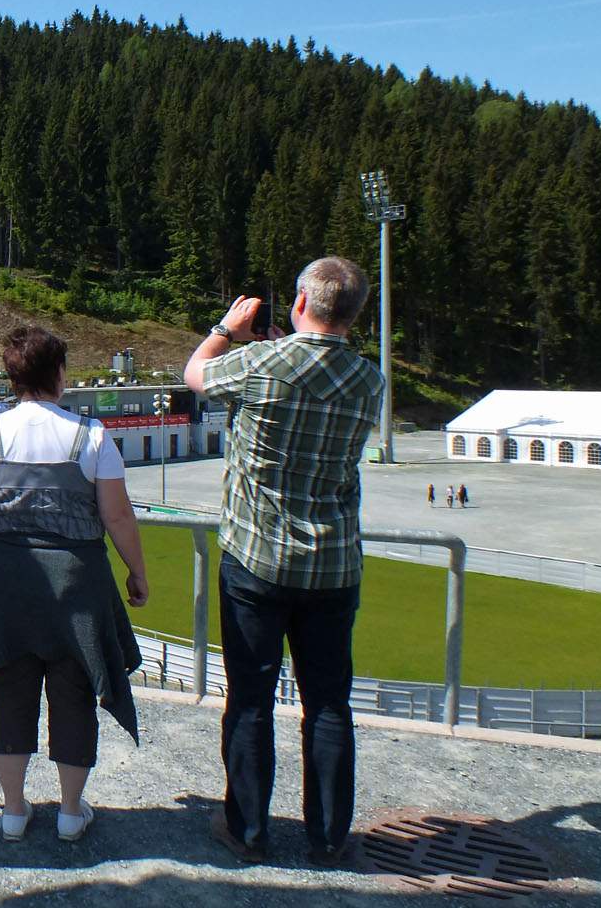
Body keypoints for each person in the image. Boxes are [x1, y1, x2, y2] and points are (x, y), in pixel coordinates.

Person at [184, 256, 383, 866]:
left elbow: (197, 374)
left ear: (300, 302)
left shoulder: (263, 363)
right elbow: (315, 372)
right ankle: (327, 836)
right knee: (328, 703)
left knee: (250, 697)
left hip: (257, 560)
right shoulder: (370, 380)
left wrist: (226, 326)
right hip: (332, 564)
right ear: (355, 313)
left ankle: (247, 830)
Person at [0, 325, 150, 844]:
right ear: (58, 372)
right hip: (78, 583)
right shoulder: (91, 435)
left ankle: (13, 811)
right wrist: (136, 571)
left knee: (9, 687)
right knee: (74, 690)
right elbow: (118, 516)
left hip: (7, 580)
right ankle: (71, 812)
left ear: (11, 377)